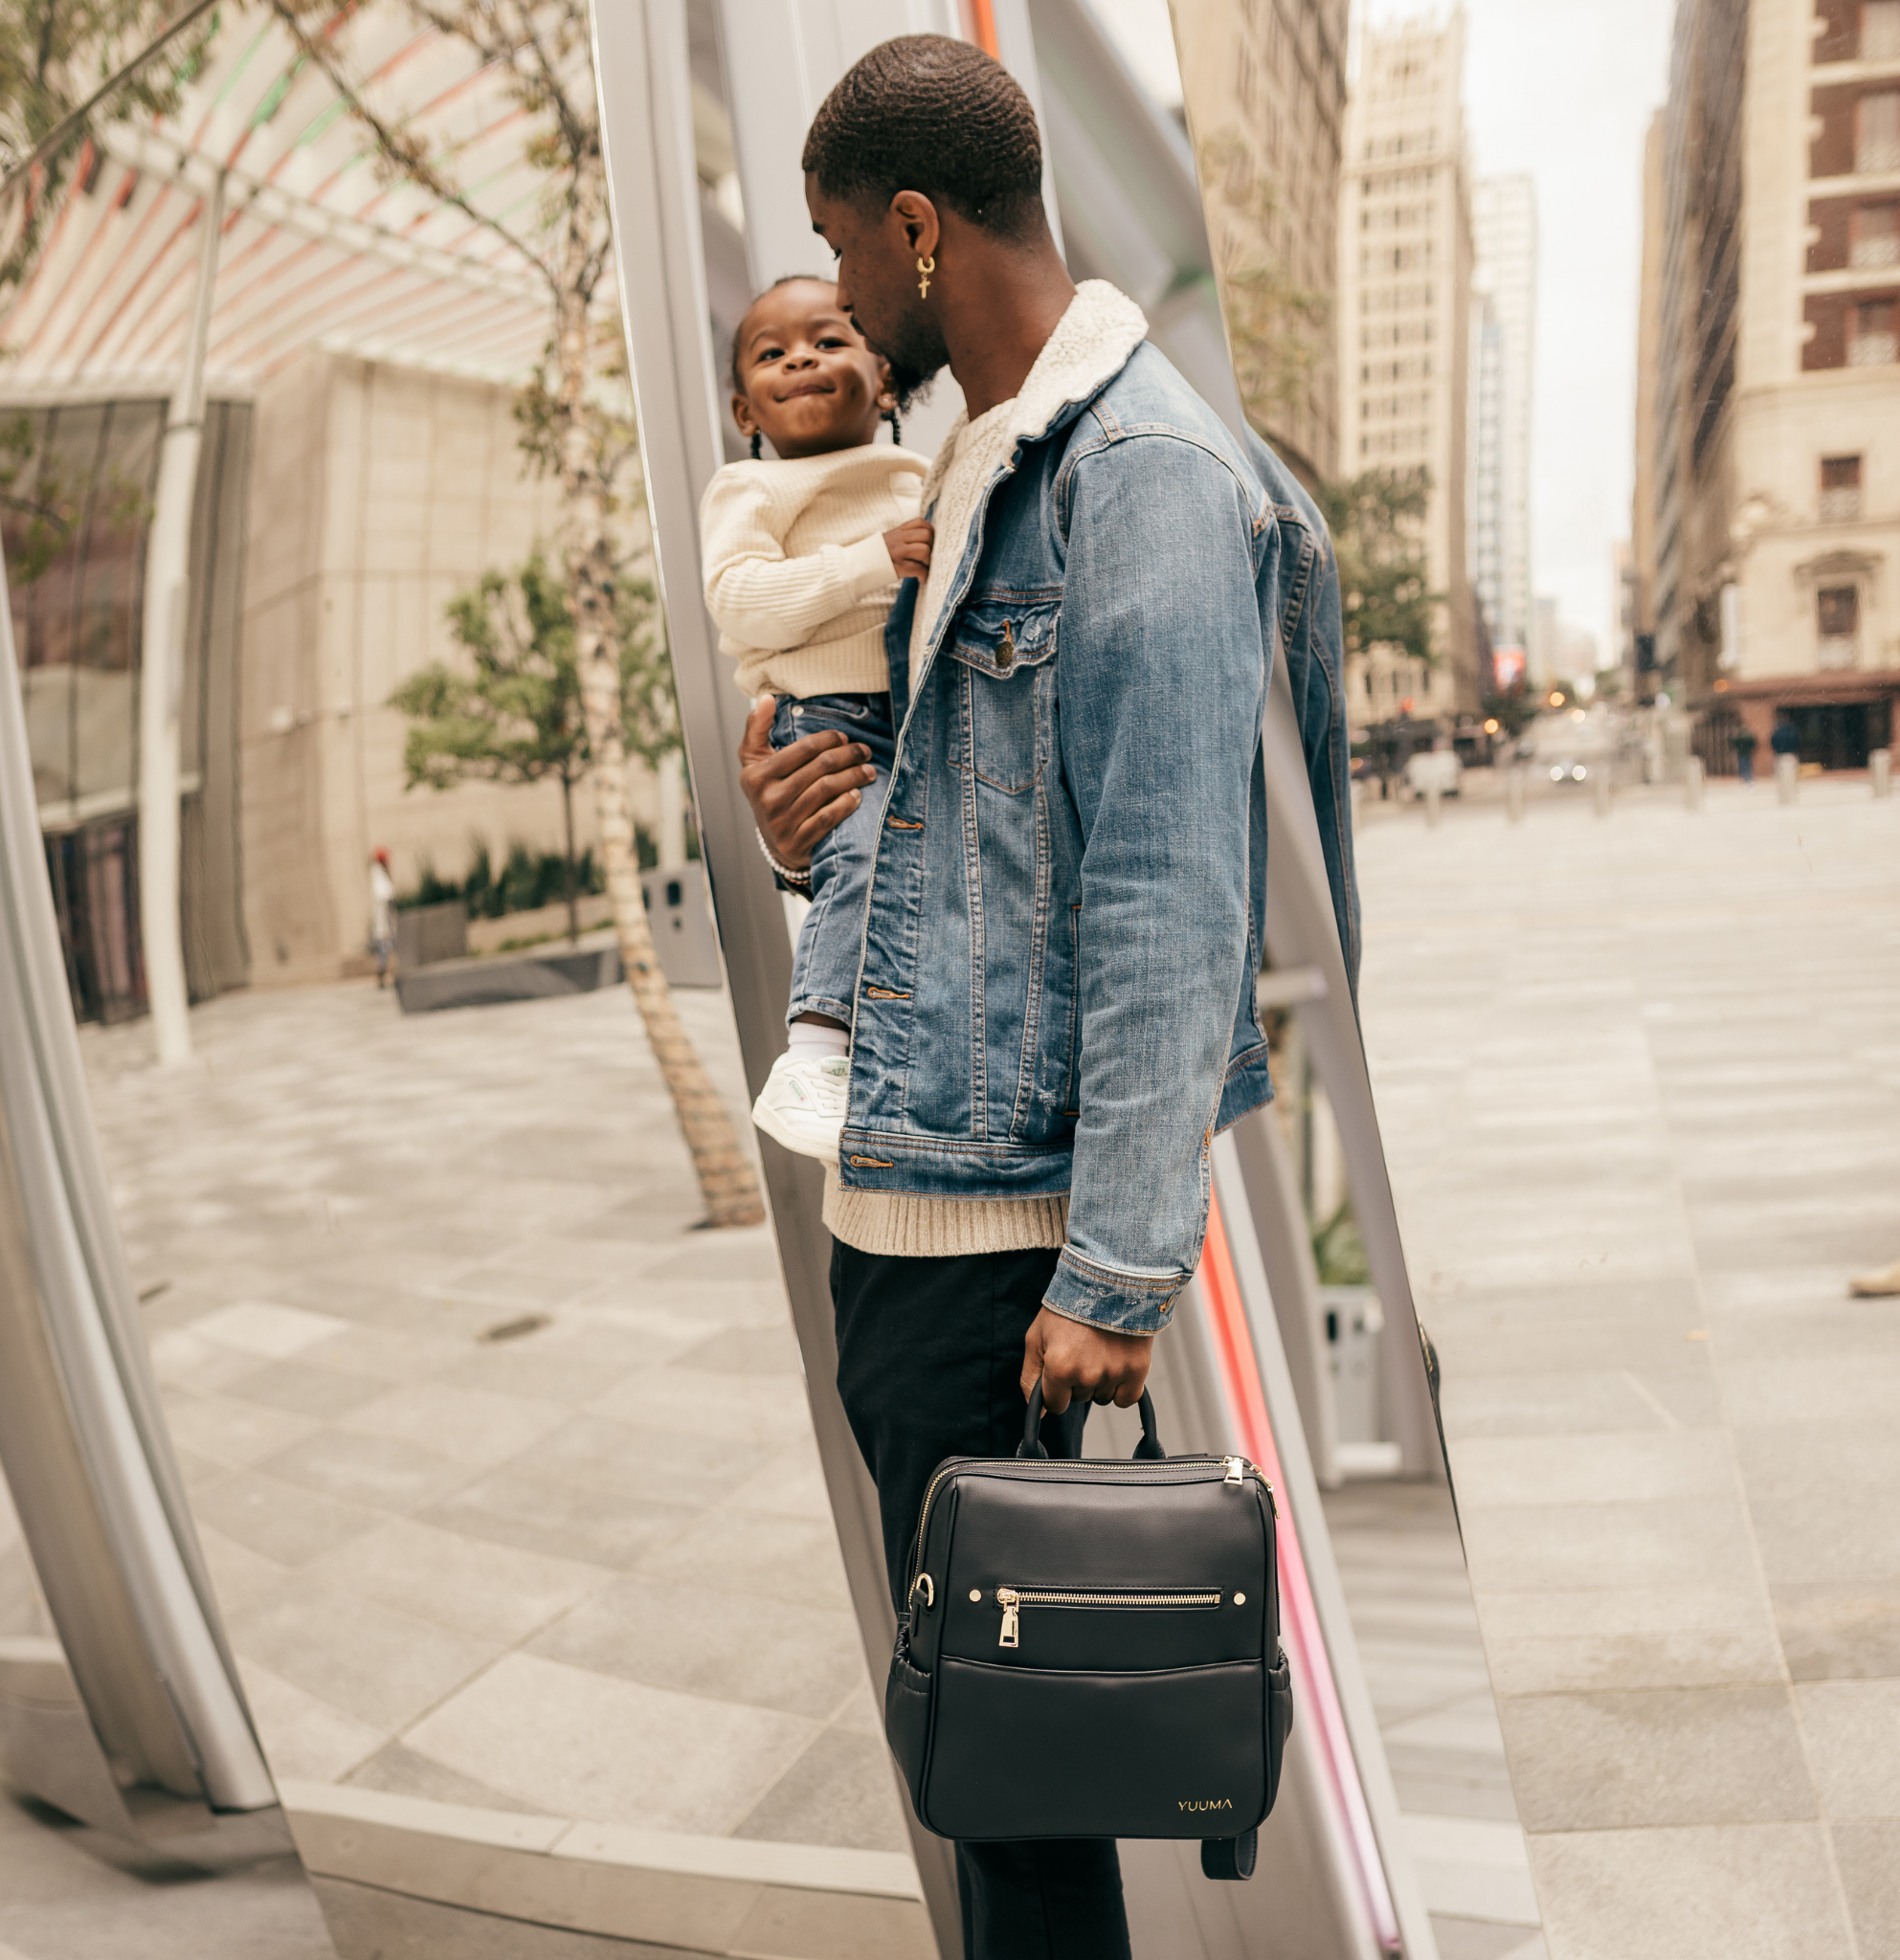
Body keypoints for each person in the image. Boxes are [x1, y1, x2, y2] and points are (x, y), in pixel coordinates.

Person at [734, 36, 1357, 1958]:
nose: (834, 298)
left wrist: (1107, 1269)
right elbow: (965, 836)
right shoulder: (986, 459)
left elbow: (1173, 883)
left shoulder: (1144, 471)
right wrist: (794, 835)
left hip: (989, 1236)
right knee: (994, 1755)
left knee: (1011, 1774)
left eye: (842, 252)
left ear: (915, 228)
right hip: (911, 1185)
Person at [701, 278, 933, 1162]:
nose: (801, 357)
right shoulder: (753, 488)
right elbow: (742, 601)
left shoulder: (922, 477)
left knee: (914, 881)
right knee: (865, 860)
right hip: (826, 728)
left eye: (828, 341)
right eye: (772, 353)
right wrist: (869, 564)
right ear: (743, 406)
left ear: (883, 373)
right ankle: (815, 1053)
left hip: (922, 720)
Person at [369, 848, 396, 989]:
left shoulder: (379, 877)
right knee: (384, 953)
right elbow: (386, 898)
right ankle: (381, 978)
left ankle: (382, 977)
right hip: (384, 927)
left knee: (384, 953)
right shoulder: (380, 880)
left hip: (385, 926)